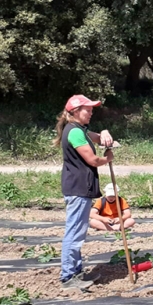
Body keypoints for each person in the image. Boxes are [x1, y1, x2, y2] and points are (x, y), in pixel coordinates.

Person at [54, 94, 114, 290]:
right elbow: (93, 160)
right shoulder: (74, 132)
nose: (91, 112)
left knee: (77, 231)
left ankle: (75, 272)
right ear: (75, 112)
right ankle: (68, 276)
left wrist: (104, 133)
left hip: (80, 187)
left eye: (91, 109)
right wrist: (107, 159)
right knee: (74, 233)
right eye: (87, 109)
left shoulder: (79, 130)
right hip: (78, 188)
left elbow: (97, 138)